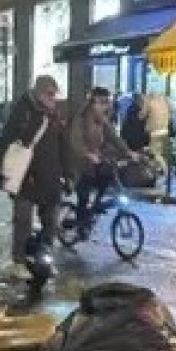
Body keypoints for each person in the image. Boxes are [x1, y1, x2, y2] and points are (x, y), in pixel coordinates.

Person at [0, 74, 70, 279]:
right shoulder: (23, 111)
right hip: (26, 177)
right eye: (50, 95)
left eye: (55, 95)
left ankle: (44, 257)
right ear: (39, 93)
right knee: (23, 220)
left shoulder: (55, 115)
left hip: (51, 177)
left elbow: (63, 146)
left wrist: (68, 175)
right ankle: (18, 261)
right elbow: (6, 141)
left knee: (51, 221)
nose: (54, 99)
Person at [69, 86, 134, 238]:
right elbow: (75, 141)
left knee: (108, 178)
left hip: (96, 163)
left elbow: (114, 138)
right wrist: (87, 154)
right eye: (102, 102)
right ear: (92, 103)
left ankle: (96, 207)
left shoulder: (102, 121)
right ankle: (81, 224)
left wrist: (129, 152)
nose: (106, 106)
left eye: (107, 102)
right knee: (84, 194)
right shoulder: (80, 120)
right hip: (79, 165)